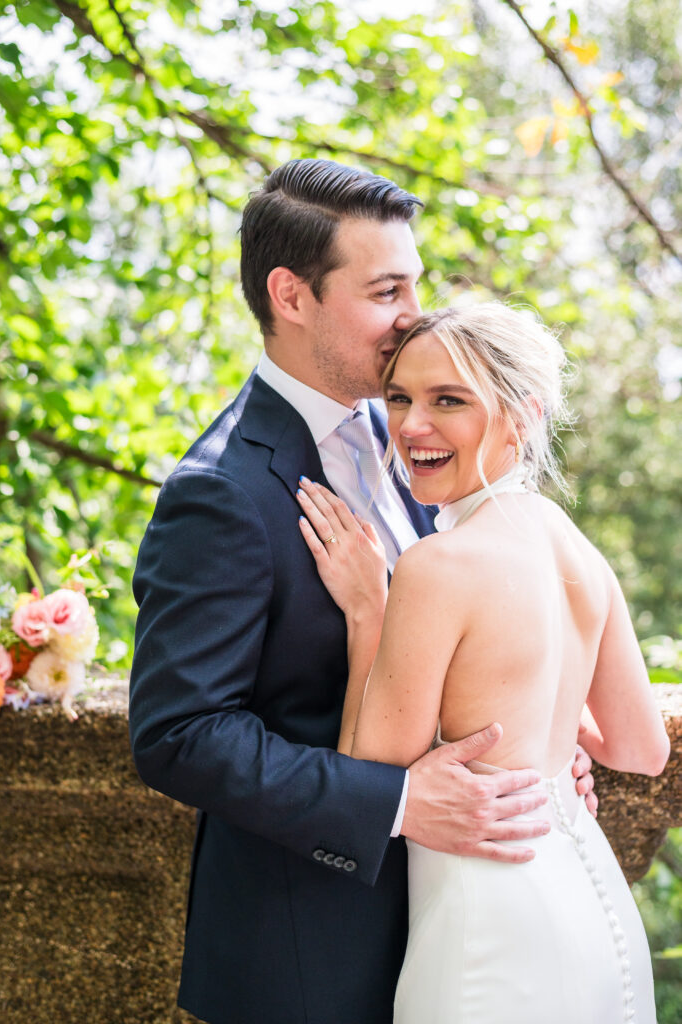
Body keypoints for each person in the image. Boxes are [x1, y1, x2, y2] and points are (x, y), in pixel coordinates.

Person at [128, 160, 595, 1024]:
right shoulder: (220, 491)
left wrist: (536, 736)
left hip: (466, 934)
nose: (414, 313)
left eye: (414, 282)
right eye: (386, 291)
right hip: (310, 956)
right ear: (291, 296)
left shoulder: (427, 425)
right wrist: (402, 801)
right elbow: (179, 735)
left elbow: (472, 624)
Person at [296, 302, 670, 1024]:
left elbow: (364, 781)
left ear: (521, 416)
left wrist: (369, 614)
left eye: (448, 401)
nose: (409, 426)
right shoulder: (571, 545)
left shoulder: (438, 567)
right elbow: (640, 748)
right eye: (399, 398)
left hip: (490, 932)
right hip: (597, 923)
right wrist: (548, 740)